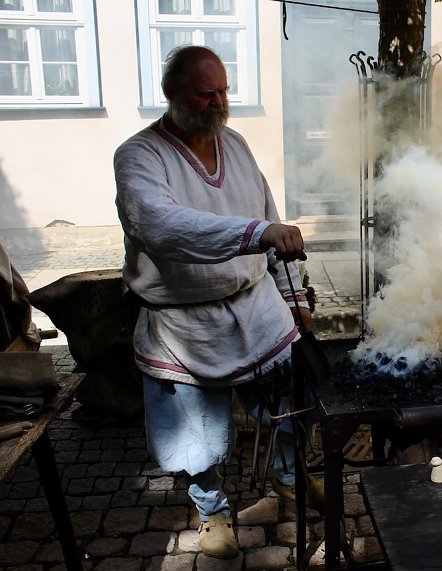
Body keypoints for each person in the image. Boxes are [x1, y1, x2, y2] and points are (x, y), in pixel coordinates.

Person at [113, 45, 322, 559]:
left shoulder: (239, 145)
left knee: (291, 407)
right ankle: (211, 511)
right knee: (195, 433)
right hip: (183, 323)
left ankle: (291, 480)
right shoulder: (139, 156)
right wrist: (257, 234)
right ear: (171, 93)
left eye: (223, 90)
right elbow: (160, 225)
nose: (217, 102)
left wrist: (295, 297)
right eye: (205, 92)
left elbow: (268, 213)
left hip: (257, 304)